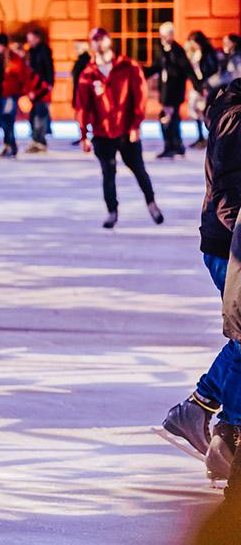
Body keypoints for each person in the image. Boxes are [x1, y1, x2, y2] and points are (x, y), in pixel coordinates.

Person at [161, 79, 241, 481]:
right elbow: (229, 197)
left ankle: (208, 417)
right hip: (231, 248)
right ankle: (226, 434)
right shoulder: (236, 119)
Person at [76, 28, 165, 228]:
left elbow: (140, 96)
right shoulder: (88, 74)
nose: (98, 43)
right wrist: (83, 134)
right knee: (108, 172)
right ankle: (112, 211)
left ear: (108, 41)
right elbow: (82, 106)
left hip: (126, 130)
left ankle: (151, 203)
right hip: (102, 132)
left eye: (101, 39)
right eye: (94, 40)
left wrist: (135, 124)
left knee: (138, 169)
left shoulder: (128, 67)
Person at [148, 22, 191, 158]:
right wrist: (141, 74)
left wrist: (199, 85)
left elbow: (185, 69)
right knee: (170, 118)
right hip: (165, 91)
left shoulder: (177, 50)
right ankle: (175, 145)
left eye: (167, 35)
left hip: (174, 91)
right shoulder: (162, 50)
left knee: (169, 118)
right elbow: (156, 67)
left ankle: (173, 145)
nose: (164, 38)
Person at [187, 31, 221, 150]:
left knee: (206, 111)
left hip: (207, 86)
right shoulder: (196, 52)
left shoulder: (208, 53)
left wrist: (206, 86)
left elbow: (211, 69)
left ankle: (209, 137)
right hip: (199, 86)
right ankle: (201, 137)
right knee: (196, 110)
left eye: (193, 42)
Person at [25, 29, 55, 153]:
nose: (29, 42)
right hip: (35, 88)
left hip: (43, 88)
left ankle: (40, 141)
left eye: (31, 39)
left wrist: (49, 84)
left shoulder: (43, 50)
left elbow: (48, 67)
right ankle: (36, 139)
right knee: (34, 116)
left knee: (40, 116)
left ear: (38, 38)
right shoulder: (31, 52)